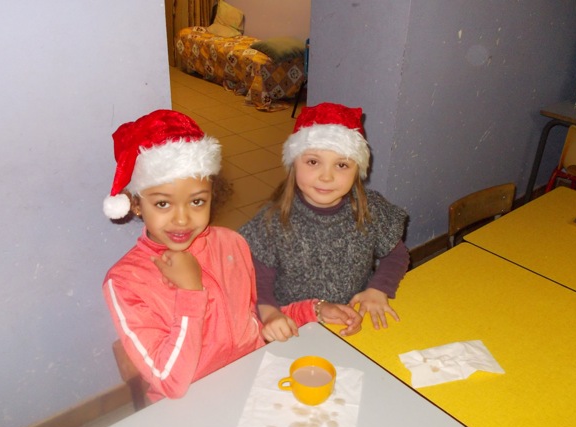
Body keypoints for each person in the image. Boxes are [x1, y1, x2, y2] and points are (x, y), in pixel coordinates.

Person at [102, 109, 361, 402]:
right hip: (190, 407)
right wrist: (190, 293)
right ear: (136, 204)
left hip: (252, 385)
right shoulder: (126, 281)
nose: (182, 219)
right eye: (163, 204)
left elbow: (252, 322)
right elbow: (170, 382)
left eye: (197, 201)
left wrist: (314, 310)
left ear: (212, 196)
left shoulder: (230, 244)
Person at [239, 102, 409, 335]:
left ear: (357, 170)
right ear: (293, 163)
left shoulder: (370, 209)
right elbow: (257, 283)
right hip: (296, 326)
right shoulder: (271, 222)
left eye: (341, 165)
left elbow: (396, 255)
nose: (326, 177)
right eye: (313, 162)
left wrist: (378, 289)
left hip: (354, 318)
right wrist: (271, 315)